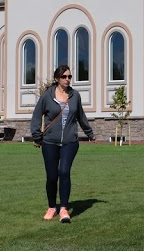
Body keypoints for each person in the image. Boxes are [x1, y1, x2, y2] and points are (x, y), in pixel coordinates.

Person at [30, 64, 95, 223]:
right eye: (64, 77)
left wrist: (89, 132)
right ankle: (52, 207)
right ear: (57, 79)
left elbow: (81, 116)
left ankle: (64, 209)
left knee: (64, 172)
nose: (67, 79)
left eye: (69, 77)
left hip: (70, 142)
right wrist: (37, 136)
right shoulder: (47, 96)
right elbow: (36, 117)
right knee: (52, 176)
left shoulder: (75, 95)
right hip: (50, 142)